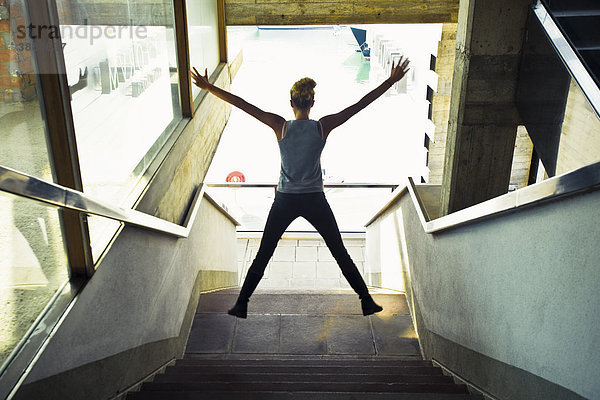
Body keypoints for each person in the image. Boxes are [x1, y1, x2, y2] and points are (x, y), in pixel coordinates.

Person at [192, 56, 410, 319]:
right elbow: (358, 106)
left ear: (291, 103)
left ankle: (242, 304)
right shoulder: (322, 126)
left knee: (264, 253)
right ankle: (366, 300)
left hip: (285, 200)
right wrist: (390, 81)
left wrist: (209, 87)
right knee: (339, 250)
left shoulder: (280, 126)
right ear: (312, 103)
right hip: (315, 200)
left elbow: (244, 105)